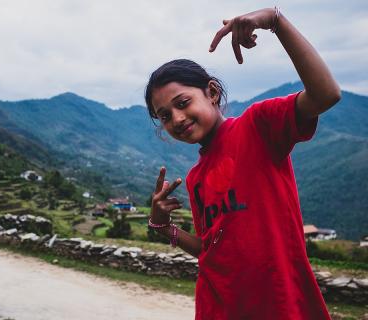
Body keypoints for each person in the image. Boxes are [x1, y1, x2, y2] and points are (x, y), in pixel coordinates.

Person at [145, 7, 340, 320]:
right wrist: (162, 226)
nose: (177, 119)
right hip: (217, 307)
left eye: (182, 103)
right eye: (165, 116)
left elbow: (326, 94)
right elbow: (209, 248)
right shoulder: (196, 178)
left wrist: (276, 22)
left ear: (211, 92)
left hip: (277, 305)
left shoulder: (257, 126)